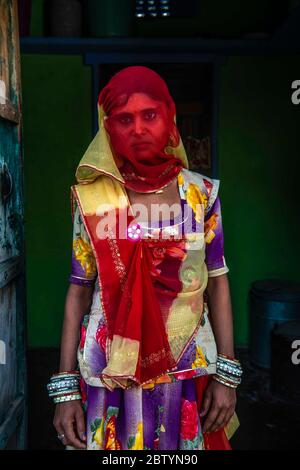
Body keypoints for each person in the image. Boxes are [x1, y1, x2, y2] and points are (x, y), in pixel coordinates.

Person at [49, 66, 241, 450]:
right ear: (109, 129)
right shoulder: (92, 201)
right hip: (109, 374)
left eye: (149, 115)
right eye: (124, 119)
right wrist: (65, 388)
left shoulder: (201, 195)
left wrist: (226, 375)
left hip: (186, 370)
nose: (137, 128)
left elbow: (217, 281)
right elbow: (78, 291)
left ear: (170, 118)